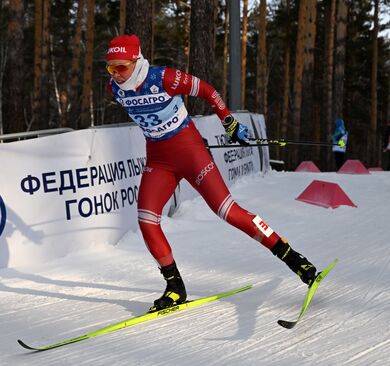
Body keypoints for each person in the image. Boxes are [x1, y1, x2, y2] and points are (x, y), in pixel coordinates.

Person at [106, 34, 318, 312]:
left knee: (228, 211)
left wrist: (229, 122)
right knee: (147, 220)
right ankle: (174, 287)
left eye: (120, 67)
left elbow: (208, 91)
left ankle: (294, 259)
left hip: (190, 152)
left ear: (136, 61)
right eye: (110, 68)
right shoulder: (116, 88)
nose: (116, 74)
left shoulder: (165, 78)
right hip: (159, 159)